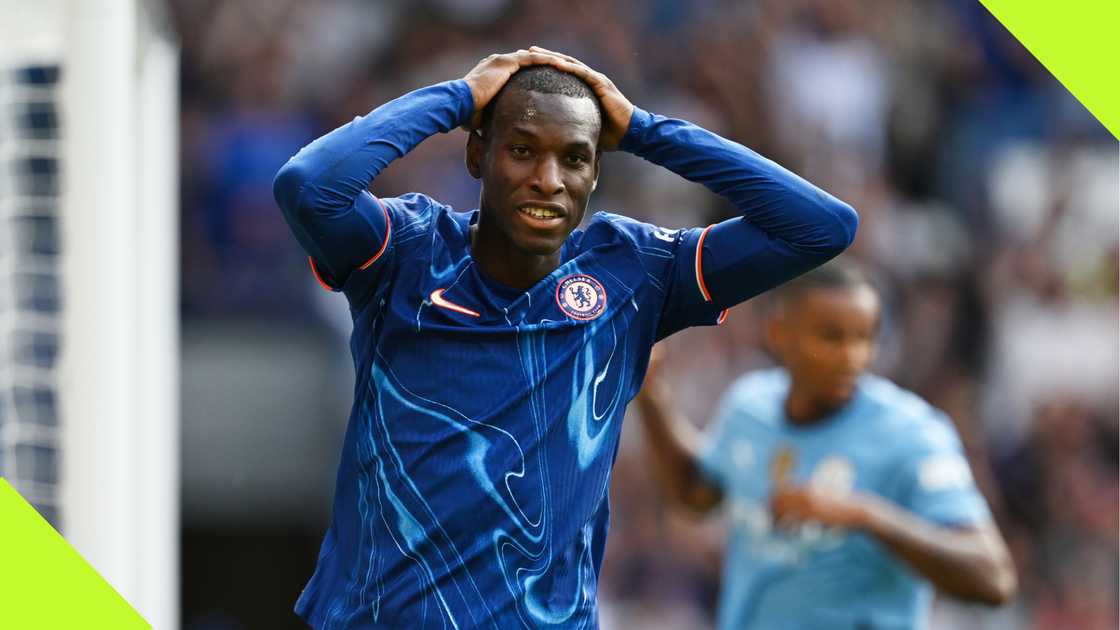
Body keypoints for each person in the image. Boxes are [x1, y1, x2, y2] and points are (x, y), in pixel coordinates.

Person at [273, 46, 857, 628]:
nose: (547, 181)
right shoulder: (405, 252)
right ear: (479, 153)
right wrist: (457, 98)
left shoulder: (633, 273)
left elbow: (821, 227)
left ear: (595, 171)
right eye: (523, 151)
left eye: (575, 158)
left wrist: (644, 130)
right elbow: (308, 186)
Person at [635, 259, 1017, 629]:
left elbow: (993, 578)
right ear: (779, 333)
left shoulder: (912, 433)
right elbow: (696, 494)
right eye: (831, 337)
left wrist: (866, 516)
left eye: (865, 337)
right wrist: (652, 395)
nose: (853, 356)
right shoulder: (749, 407)